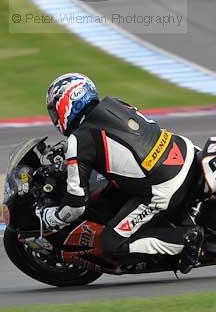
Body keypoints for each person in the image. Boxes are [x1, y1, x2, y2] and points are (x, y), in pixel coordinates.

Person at [40, 72, 203, 270]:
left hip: (164, 186)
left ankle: (185, 239)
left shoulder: (78, 140)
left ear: (67, 102)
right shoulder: (115, 103)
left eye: (54, 111)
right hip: (184, 152)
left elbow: (76, 204)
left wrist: (52, 217)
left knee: (111, 244)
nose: (55, 118)